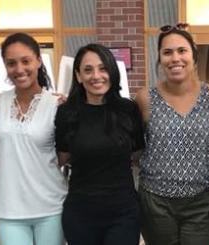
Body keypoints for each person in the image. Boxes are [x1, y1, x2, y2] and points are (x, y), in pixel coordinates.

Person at [133, 24, 209, 245]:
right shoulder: (145, 98)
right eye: (167, 52)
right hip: (156, 202)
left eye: (182, 51)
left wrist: (205, 165)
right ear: (159, 59)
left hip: (201, 202)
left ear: (194, 57)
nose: (175, 58)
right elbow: (135, 145)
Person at [54, 43, 144, 245]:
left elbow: (137, 154)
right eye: (88, 69)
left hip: (123, 213)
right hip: (80, 213)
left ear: (112, 71)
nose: (96, 76)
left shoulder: (128, 109)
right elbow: (62, 157)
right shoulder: (66, 113)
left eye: (103, 68)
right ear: (78, 76)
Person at [0, 32, 66, 245]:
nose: (19, 69)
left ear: (39, 61)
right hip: (9, 209)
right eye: (11, 63)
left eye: (26, 61)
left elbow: (65, 154)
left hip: (51, 207)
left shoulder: (57, 104)